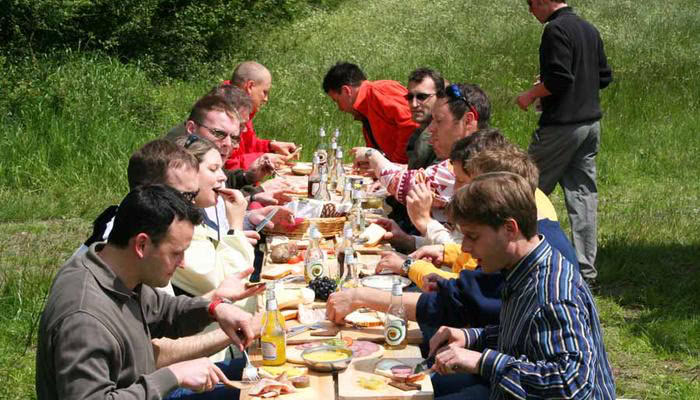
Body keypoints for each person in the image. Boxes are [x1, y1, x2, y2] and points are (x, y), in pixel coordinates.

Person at [36, 185, 257, 399]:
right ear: (141, 245)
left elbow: (163, 309)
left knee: (259, 373)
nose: (182, 263)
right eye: (176, 253)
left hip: (145, 389)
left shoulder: (116, 272)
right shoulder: (84, 320)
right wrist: (173, 376)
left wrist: (214, 309)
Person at [427, 172, 615, 399]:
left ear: (510, 229)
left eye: (473, 236)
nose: (465, 247)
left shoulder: (552, 295)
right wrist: (474, 337)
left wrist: (482, 361)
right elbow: (528, 338)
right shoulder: (523, 268)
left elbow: (571, 384)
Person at [516, 0, 612, 281]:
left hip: (561, 128)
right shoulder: (589, 29)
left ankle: (519, 261)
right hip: (590, 125)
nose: (531, 11)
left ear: (544, 1)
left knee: (523, 190)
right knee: (583, 198)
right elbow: (603, 77)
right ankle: (585, 271)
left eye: (531, 4)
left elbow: (559, 78)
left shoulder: (555, 30)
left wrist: (532, 93)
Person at [359, 83, 490, 251]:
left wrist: (371, 154)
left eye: (439, 121)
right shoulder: (472, 158)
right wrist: (408, 241)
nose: (431, 130)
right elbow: (454, 242)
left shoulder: (472, 168)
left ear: (468, 121)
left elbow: (464, 255)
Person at [71, 139, 200, 259]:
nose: (194, 204)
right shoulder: (115, 245)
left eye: (195, 194)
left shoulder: (154, 229)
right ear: (150, 193)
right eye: (186, 196)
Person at [322, 62, 418, 163]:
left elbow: (411, 124)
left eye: (337, 101)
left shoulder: (379, 91)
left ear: (346, 91)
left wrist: (394, 166)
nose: (340, 108)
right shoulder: (364, 109)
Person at [224, 61, 297, 170]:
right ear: (250, 86)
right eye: (265, 92)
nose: (266, 99)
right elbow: (227, 167)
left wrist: (271, 146)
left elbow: (248, 145)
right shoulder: (222, 113)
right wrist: (264, 160)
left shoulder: (240, 106)